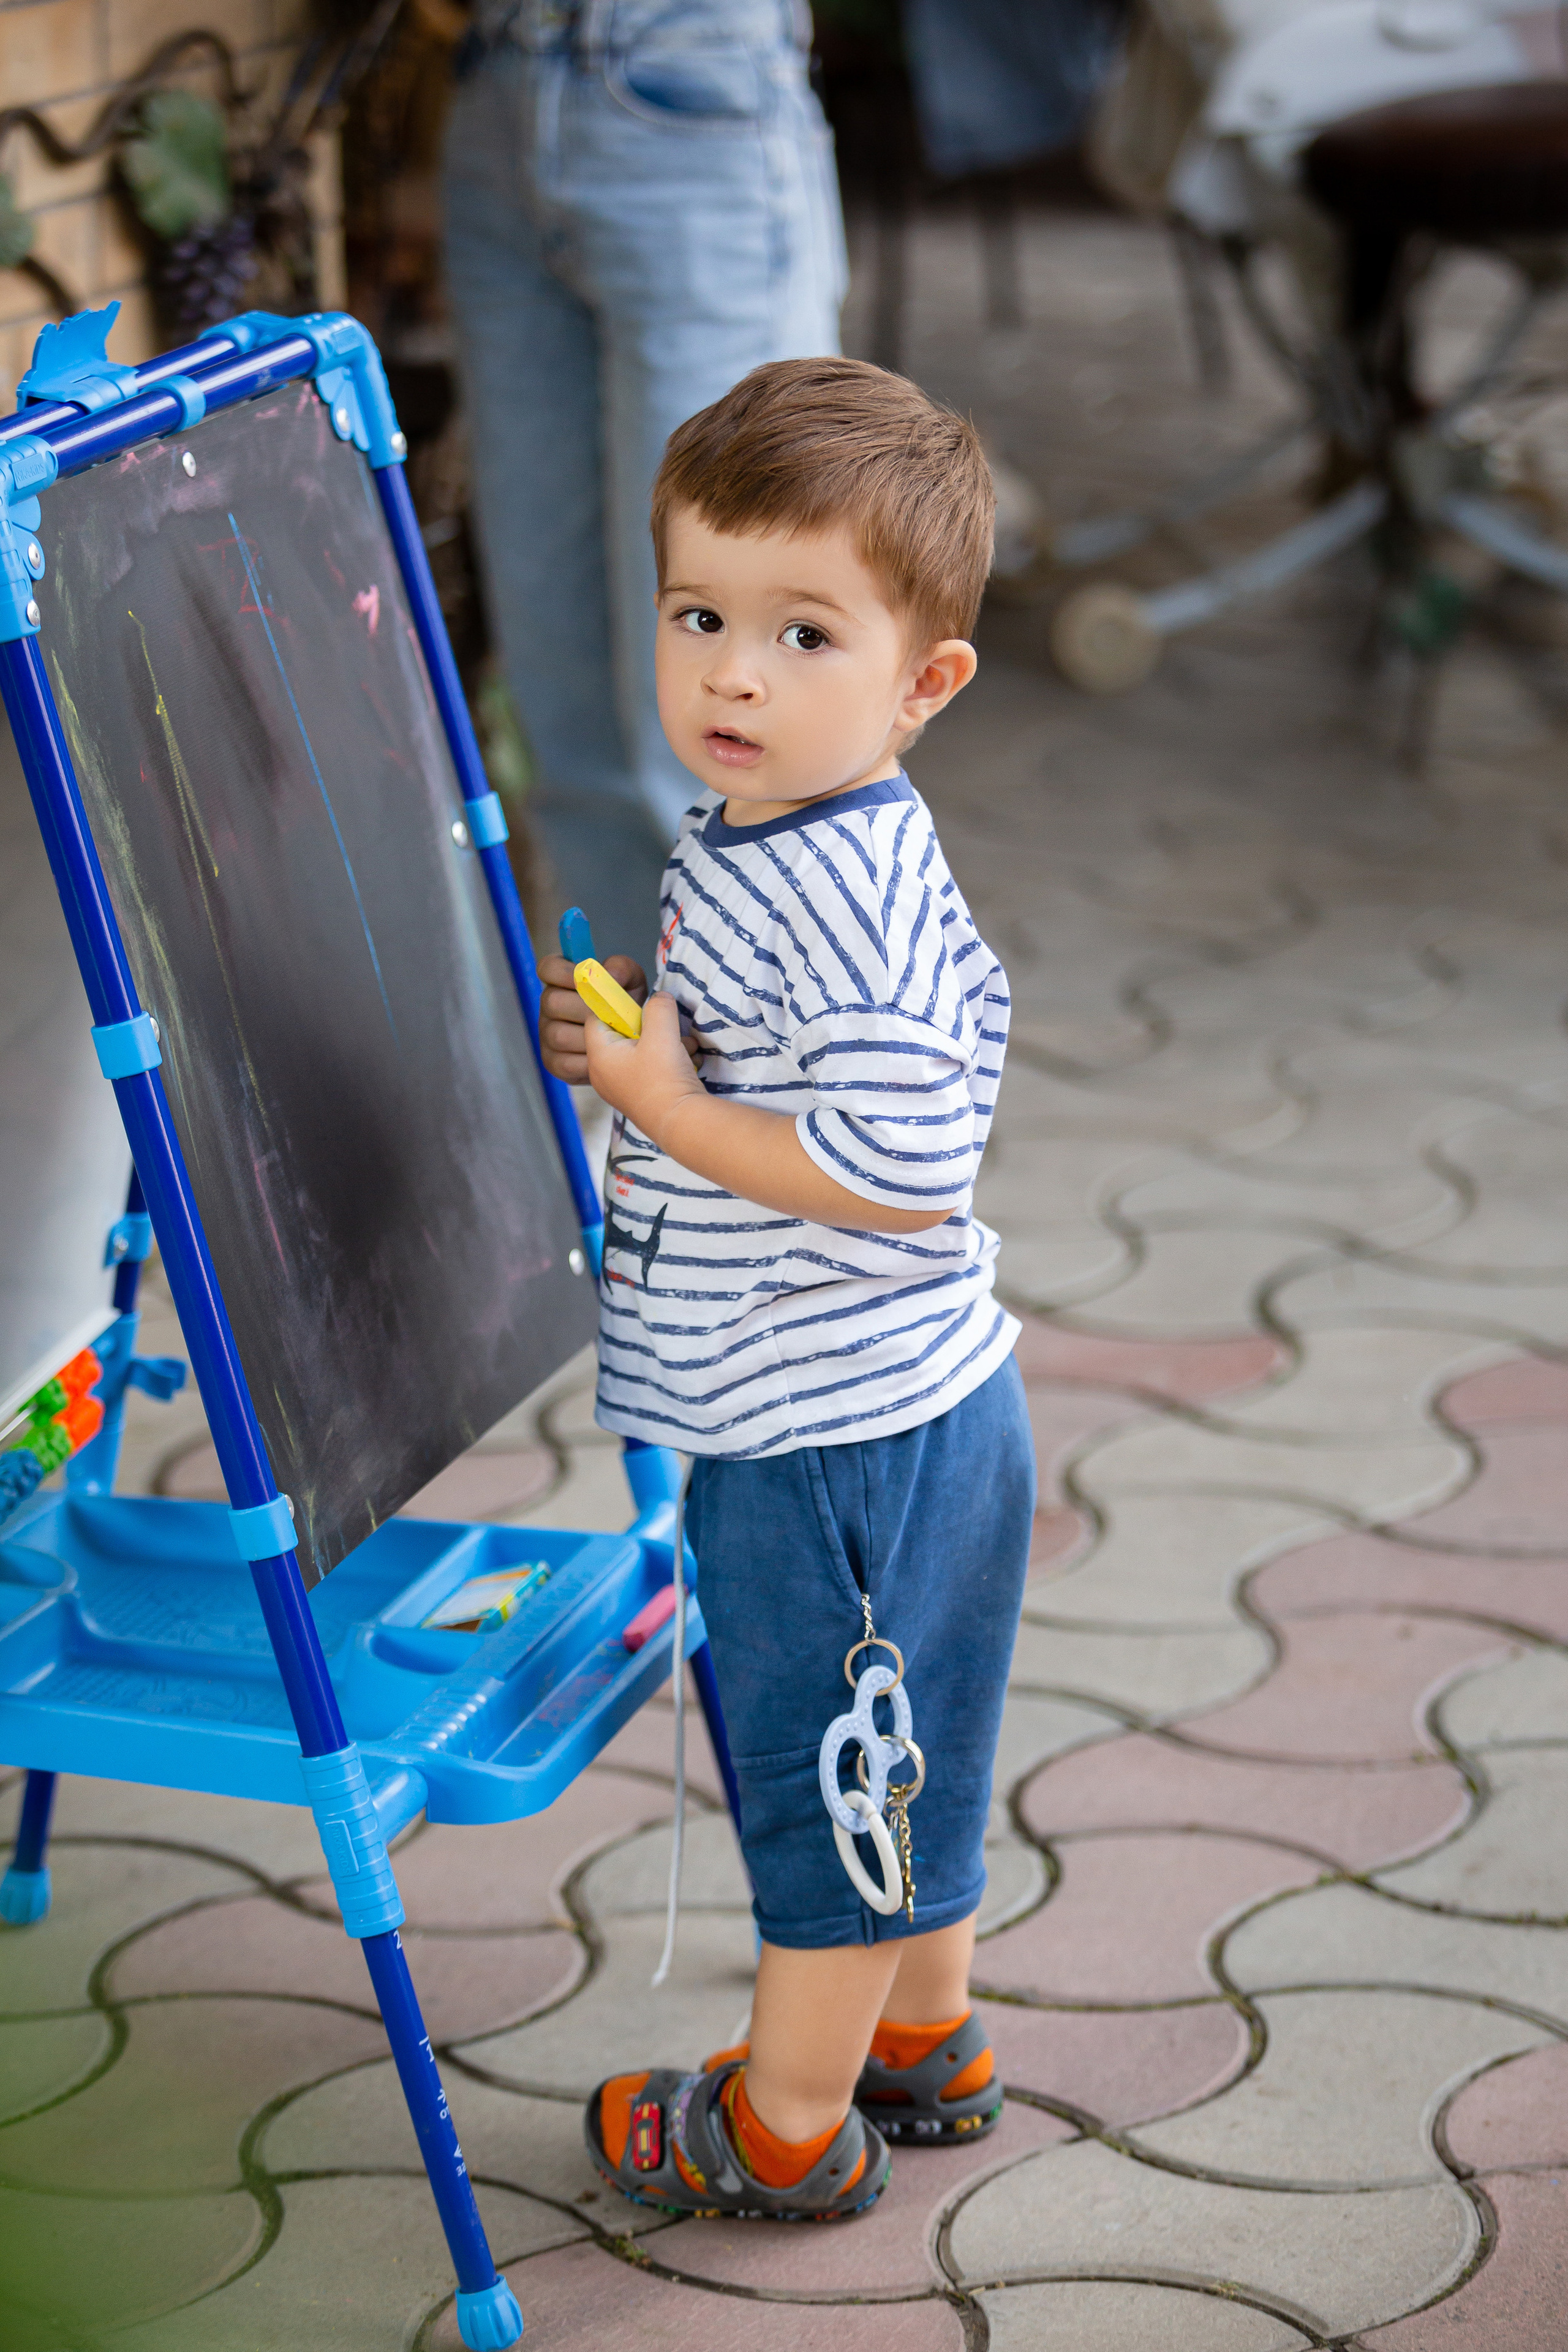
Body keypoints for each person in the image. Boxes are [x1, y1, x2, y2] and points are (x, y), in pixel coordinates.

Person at [536, 356, 1035, 2218]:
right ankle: (927, 2035)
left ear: (924, 682)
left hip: (828, 1431)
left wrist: (662, 1102)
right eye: (700, 615)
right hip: (911, 1410)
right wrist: (655, 1078)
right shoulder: (787, 828)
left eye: (803, 634)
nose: (733, 674)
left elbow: (903, 1175)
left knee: (830, 1771)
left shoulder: (836, 888)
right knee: (914, 1740)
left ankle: (793, 2126)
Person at [443, 0, 848, 970]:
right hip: (498, 93)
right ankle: (653, 1079)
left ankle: (774, 1090)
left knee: (736, 706)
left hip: (688, 83)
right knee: (564, 706)